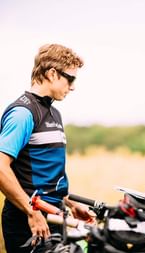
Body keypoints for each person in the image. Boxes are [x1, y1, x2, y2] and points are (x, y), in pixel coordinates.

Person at [0, 44, 95, 253]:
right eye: (70, 78)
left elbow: (46, 175)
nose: (73, 86)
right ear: (52, 73)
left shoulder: (54, 113)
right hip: (28, 219)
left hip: (54, 214)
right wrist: (31, 210)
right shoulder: (22, 113)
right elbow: (0, 167)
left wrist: (69, 203)